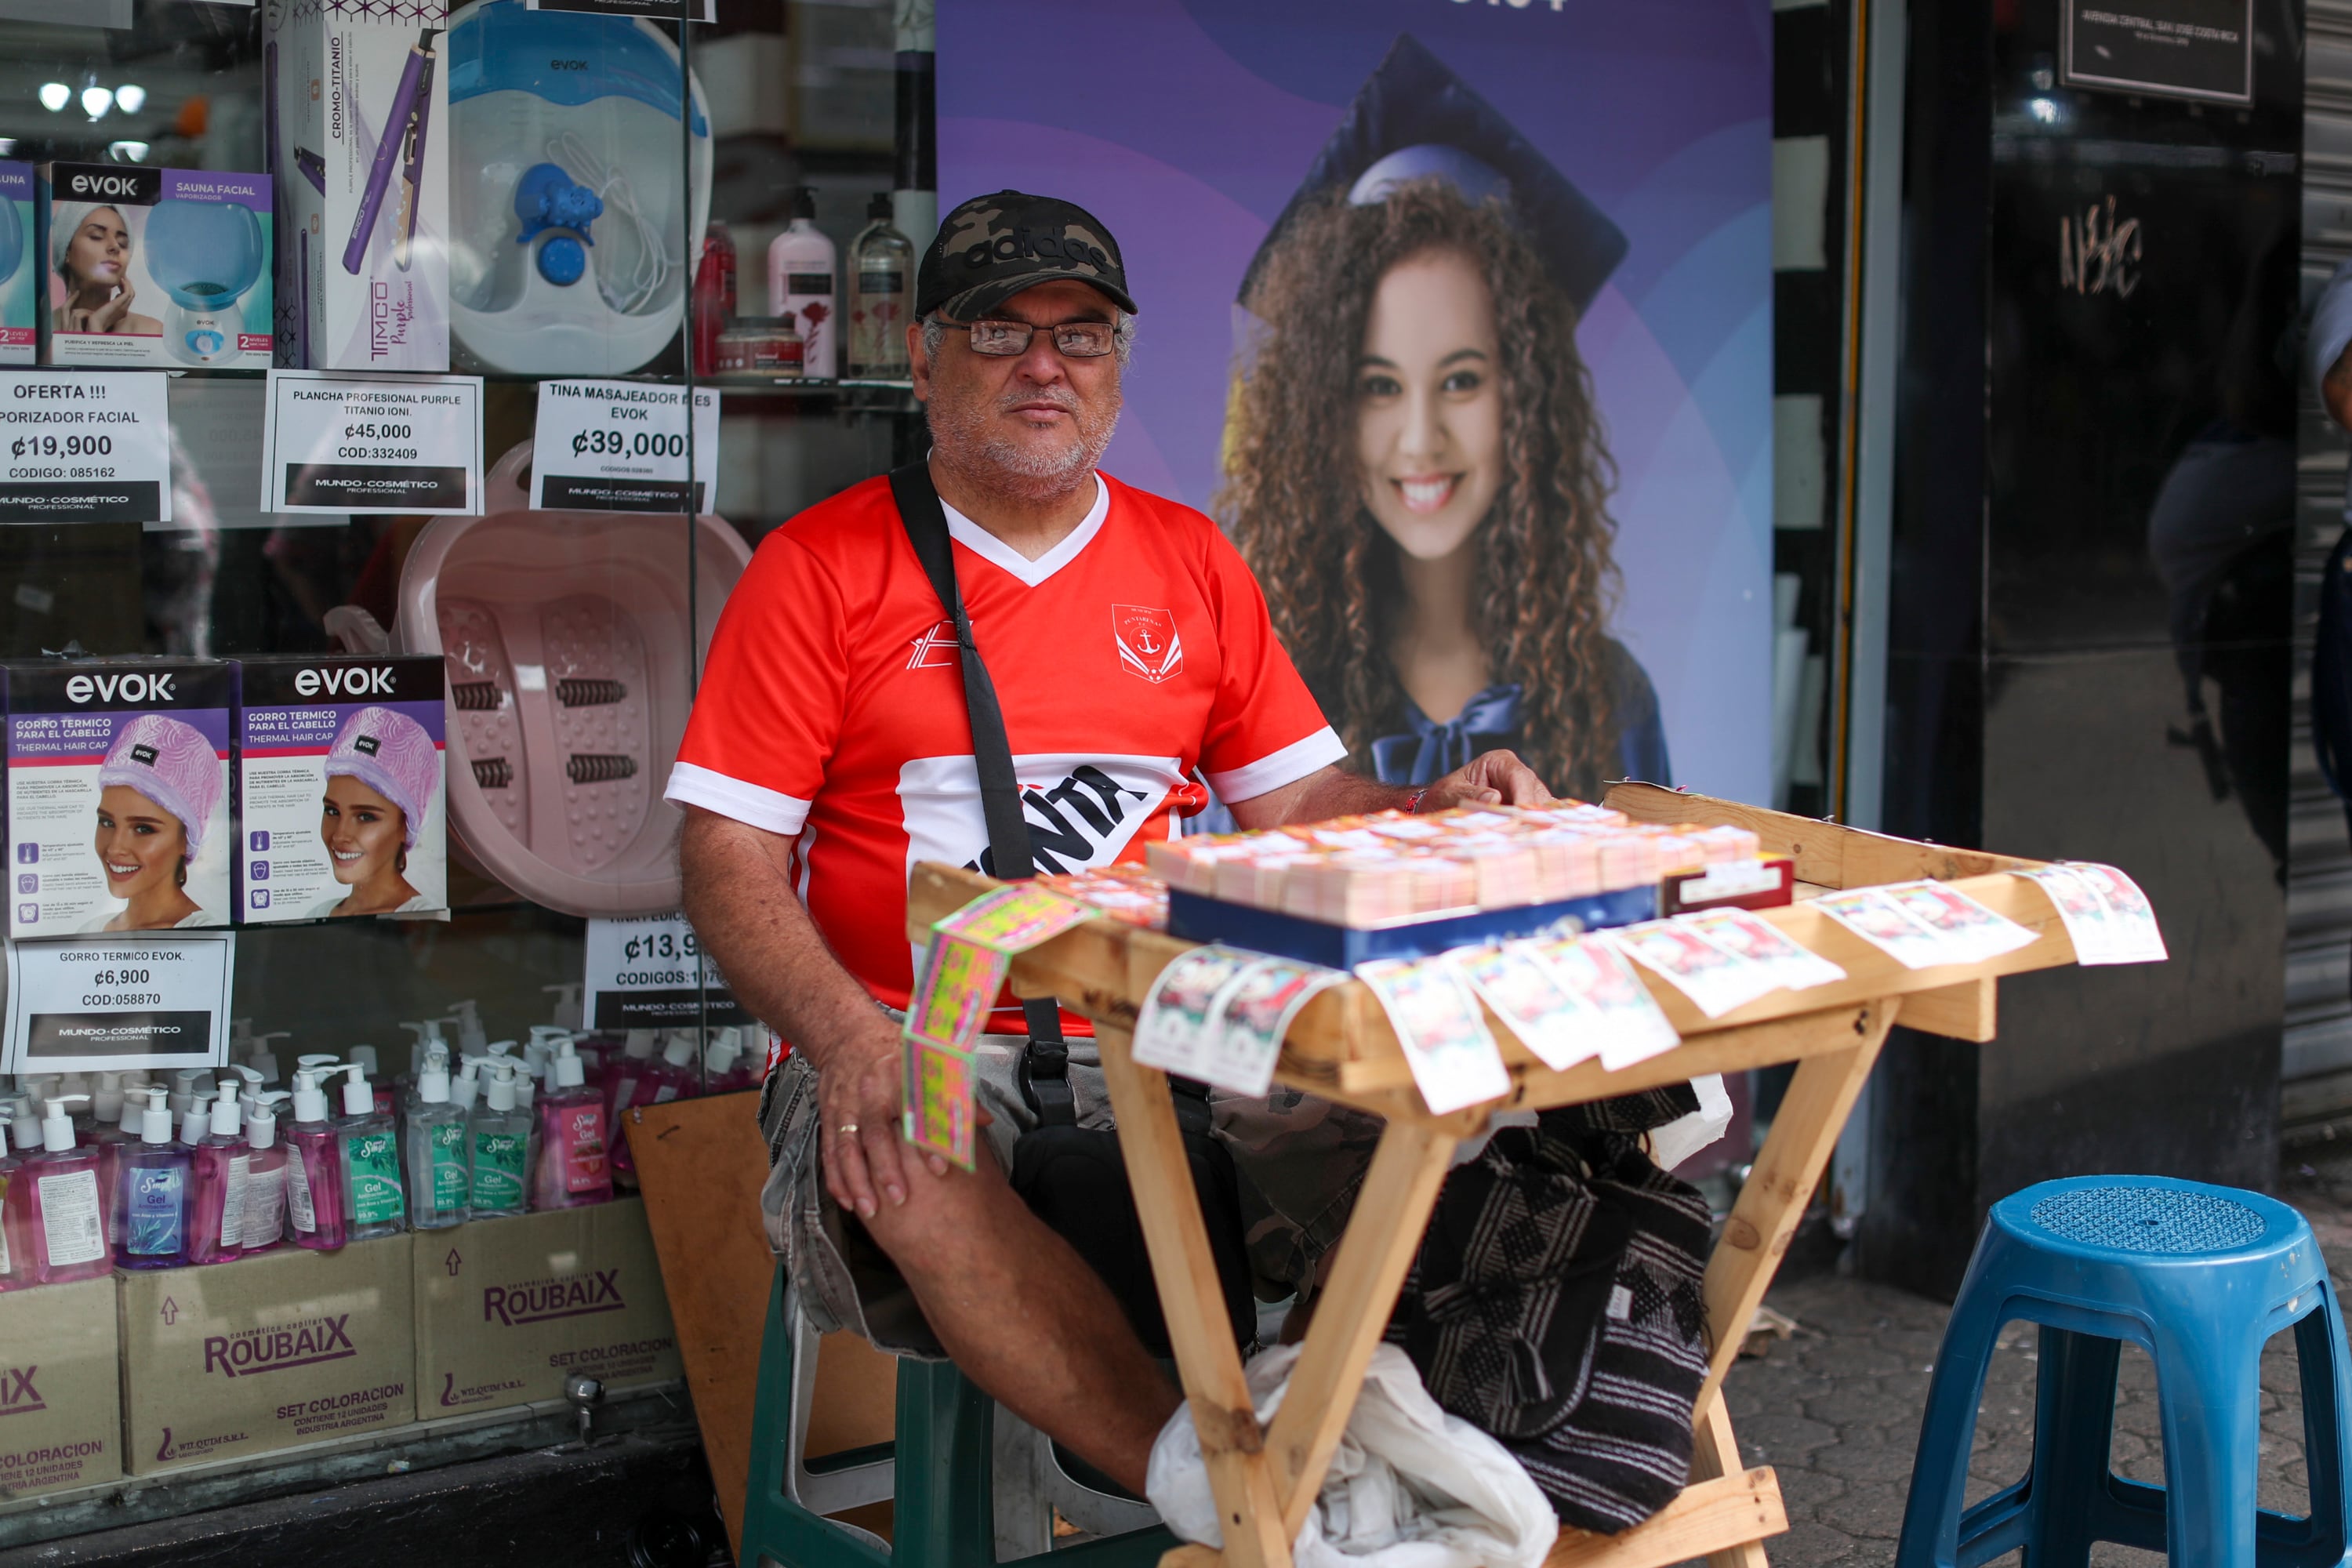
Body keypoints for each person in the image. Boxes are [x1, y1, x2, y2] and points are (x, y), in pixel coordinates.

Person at [670, 190, 1553, 1494]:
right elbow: (723, 858)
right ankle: (1214, 1490)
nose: (1046, 365)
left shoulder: (1190, 562)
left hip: (1169, 1036)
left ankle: (1346, 1431)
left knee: (1443, 1101)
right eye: (1000, 331)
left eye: (1081, 335)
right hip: (909, 1038)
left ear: (1117, 364)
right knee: (910, 1138)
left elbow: (1298, 807)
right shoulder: (820, 570)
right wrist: (848, 1039)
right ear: (922, 357)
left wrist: (1435, 812)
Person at [1221, 36, 1667, 802]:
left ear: (1524, 396)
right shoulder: (1266, 694)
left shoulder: (1612, 698)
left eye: (1461, 380)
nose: (1421, 438)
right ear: (1326, 413)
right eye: (1379, 386)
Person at [85, 713, 223, 931]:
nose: (115, 848)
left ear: (186, 840)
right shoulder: (90, 929)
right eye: (107, 823)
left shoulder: (203, 932)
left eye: (143, 828)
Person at [304, 706, 442, 918]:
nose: (340, 835)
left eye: (365, 817)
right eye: (332, 811)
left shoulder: (426, 918)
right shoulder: (317, 914)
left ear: (406, 827)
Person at [53, 205, 161, 336]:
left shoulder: (151, 331)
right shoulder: (40, 329)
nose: (115, 246)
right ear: (66, 251)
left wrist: (96, 325)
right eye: (96, 236)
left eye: (122, 243)